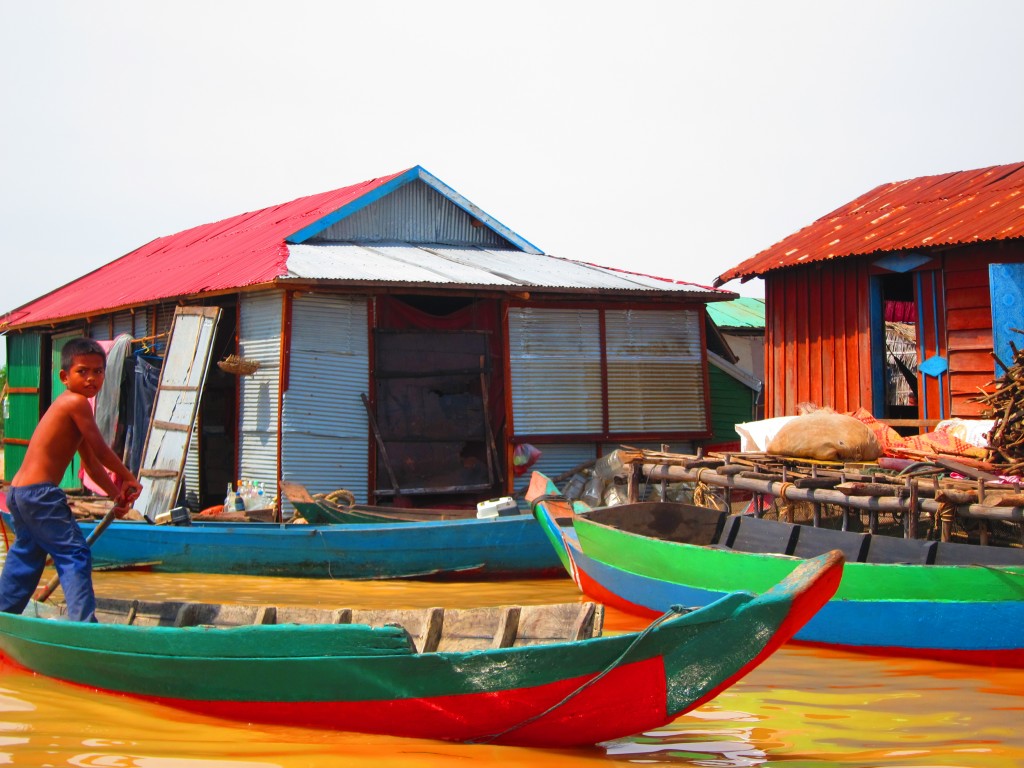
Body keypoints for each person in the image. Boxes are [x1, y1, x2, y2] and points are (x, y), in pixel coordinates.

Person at [0, 338, 143, 621]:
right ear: (64, 377)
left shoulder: (68, 406)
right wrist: (128, 477)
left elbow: (90, 463)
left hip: (20, 493)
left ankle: (4, 615)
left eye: (98, 371)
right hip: (40, 494)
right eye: (82, 371)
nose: (91, 378)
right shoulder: (76, 403)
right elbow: (101, 449)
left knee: (28, 556)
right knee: (74, 553)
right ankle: (83, 626)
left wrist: (115, 494)